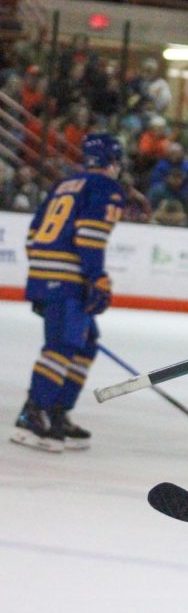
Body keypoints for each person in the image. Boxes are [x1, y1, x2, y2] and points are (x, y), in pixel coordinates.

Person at [12, 133, 123, 452]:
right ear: (114, 162)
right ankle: (32, 415)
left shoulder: (64, 184)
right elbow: (89, 236)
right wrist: (96, 277)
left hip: (49, 275)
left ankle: (57, 412)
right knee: (63, 345)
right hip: (69, 279)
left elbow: (33, 234)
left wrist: (42, 278)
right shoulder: (105, 188)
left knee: (86, 344)